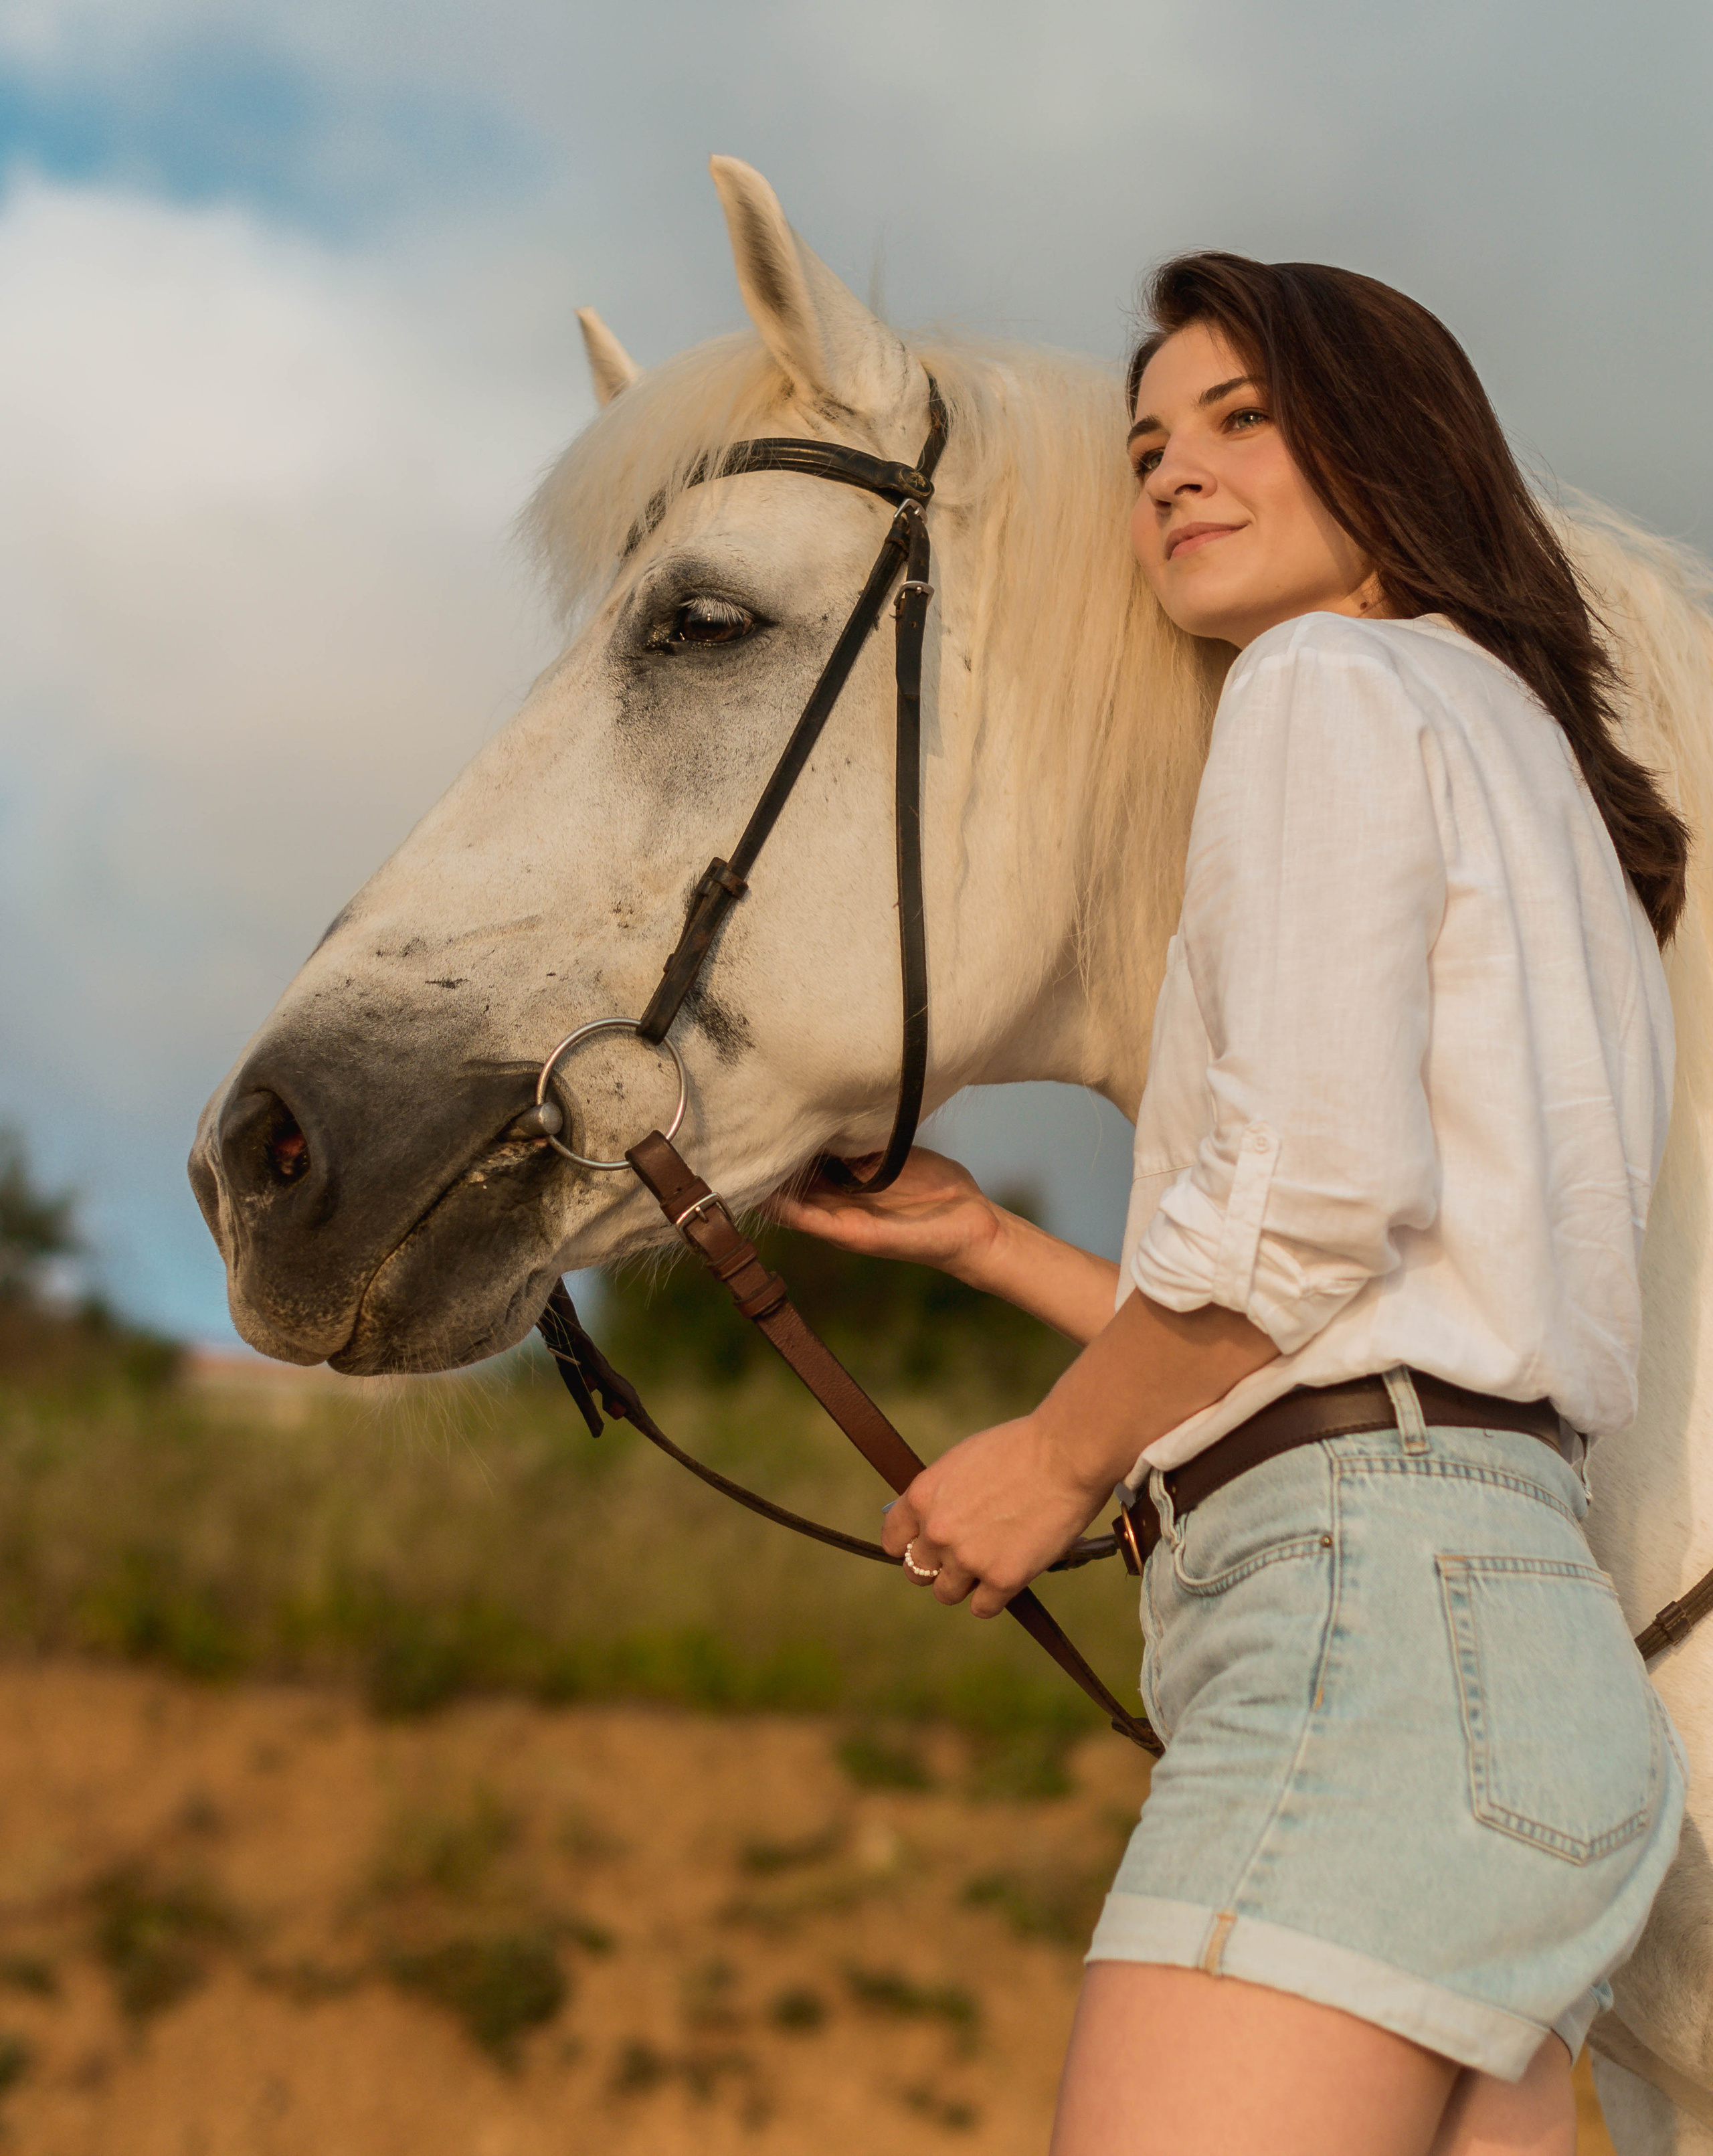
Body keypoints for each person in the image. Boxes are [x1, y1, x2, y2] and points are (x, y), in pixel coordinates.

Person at [770, 254, 1690, 2156]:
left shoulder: (1322, 682)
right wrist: (994, 1246)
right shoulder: (1549, 781)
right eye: (1146, 449)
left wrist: (1050, 1462)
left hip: (1370, 1637)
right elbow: (1411, 1301)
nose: (1175, 471)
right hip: (1538, 1667)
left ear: (1390, 444)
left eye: (1242, 418)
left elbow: (1311, 1215)